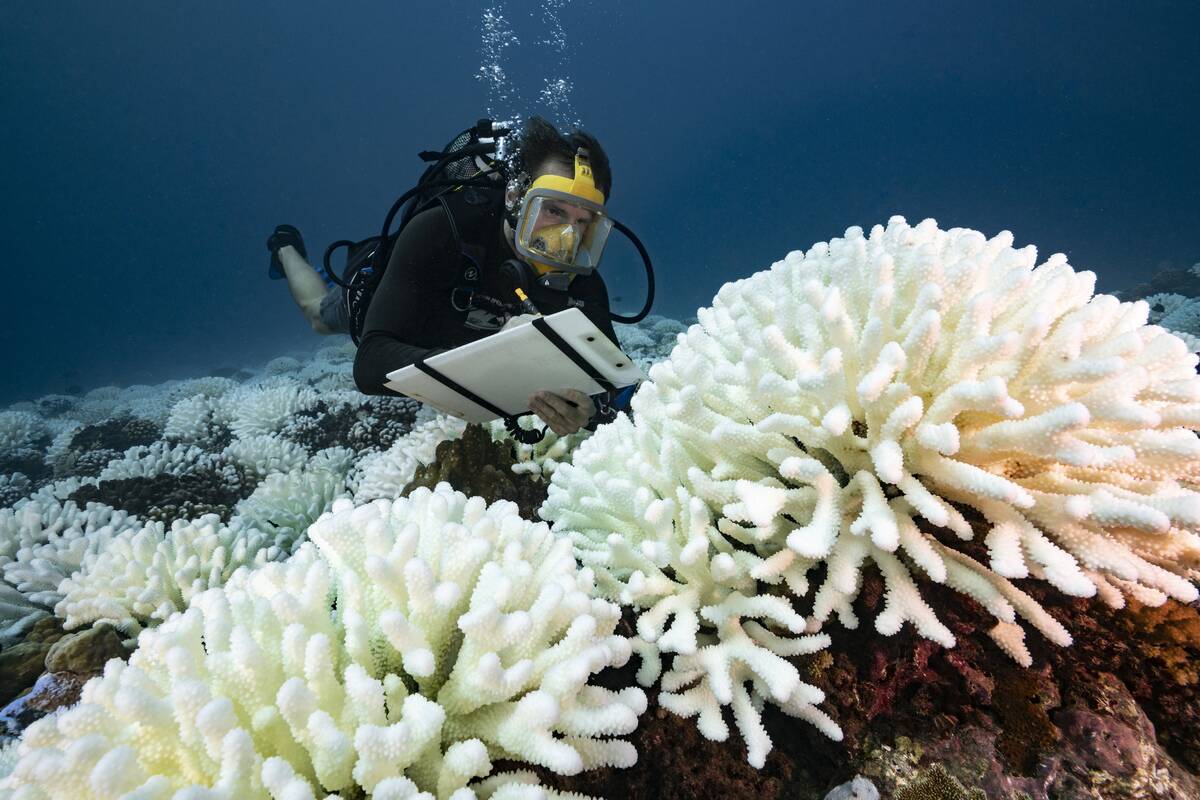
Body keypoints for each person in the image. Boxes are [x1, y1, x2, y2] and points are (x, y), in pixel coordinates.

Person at [265, 117, 629, 436]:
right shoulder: (445, 229)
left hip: (440, 351)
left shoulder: (584, 282)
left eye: (583, 222)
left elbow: (614, 385)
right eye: (553, 210)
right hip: (395, 292)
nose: (566, 236)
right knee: (318, 315)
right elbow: (370, 364)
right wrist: (495, 358)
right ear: (517, 196)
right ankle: (285, 249)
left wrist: (592, 412)